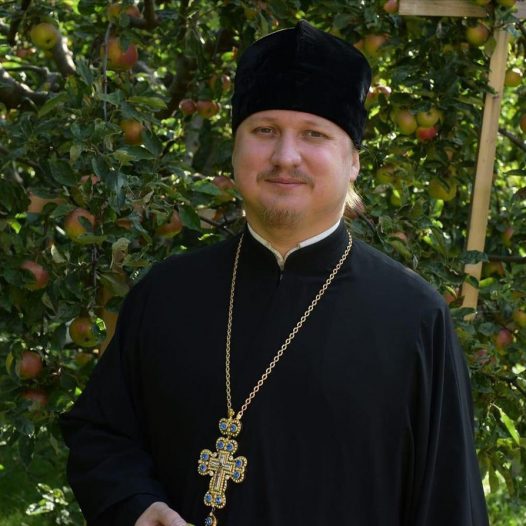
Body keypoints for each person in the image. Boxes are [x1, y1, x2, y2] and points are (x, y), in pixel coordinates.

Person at [60, 20, 489, 526]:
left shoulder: (414, 317)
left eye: (313, 134)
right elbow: (101, 437)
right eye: (264, 131)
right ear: (236, 148)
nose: (285, 157)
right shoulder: (166, 293)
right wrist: (138, 506)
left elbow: (447, 501)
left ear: (353, 160)